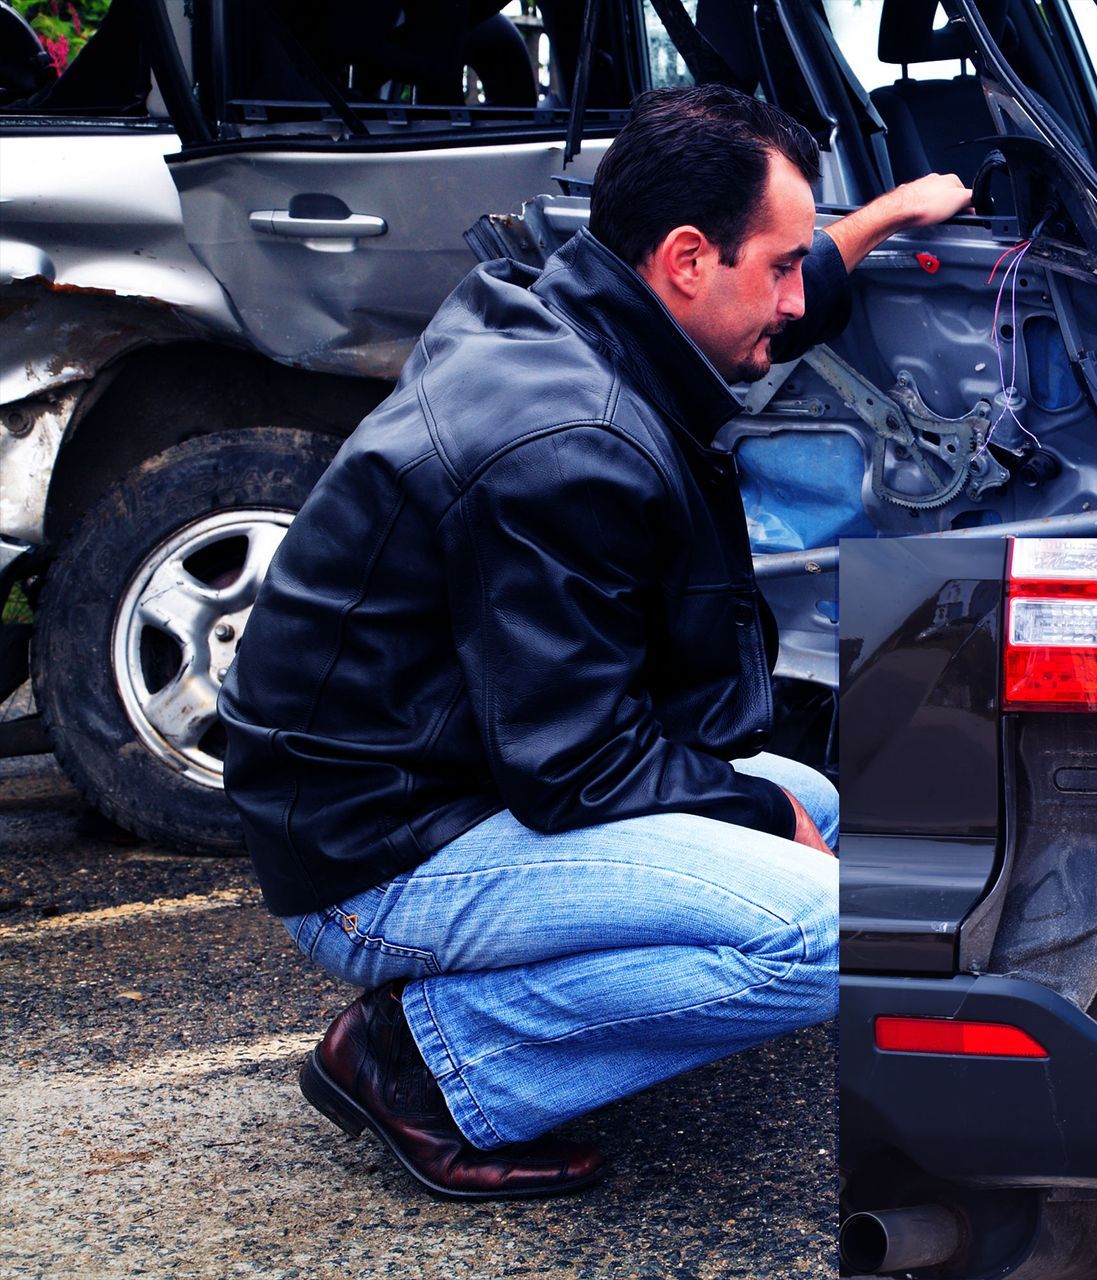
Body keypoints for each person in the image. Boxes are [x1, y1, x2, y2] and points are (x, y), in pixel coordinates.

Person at [217, 84, 973, 1199]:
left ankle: (482, 1021)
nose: (793, 292)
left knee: (826, 801)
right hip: (375, 859)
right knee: (836, 922)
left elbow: (763, 298)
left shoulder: (568, 310)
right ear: (683, 259)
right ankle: (431, 1062)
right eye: (780, 264)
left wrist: (878, 221)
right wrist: (766, 817)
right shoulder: (564, 440)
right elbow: (576, 762)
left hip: (441, 772)